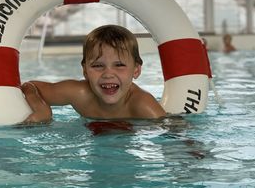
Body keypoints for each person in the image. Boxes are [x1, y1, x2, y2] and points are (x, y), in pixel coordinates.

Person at [21, 25, 166, 124]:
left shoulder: (143, 106)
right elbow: (30, 86)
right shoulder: (79, 94)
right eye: (98, 66)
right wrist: (40, 108)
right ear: (85, 70)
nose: (108, 74)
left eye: (119, 65)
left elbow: (174, 136)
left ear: (136, 70)